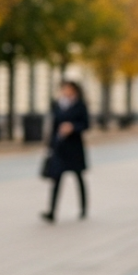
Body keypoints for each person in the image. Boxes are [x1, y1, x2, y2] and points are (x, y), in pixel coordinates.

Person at [42, 81, 89, 222]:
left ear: (74, 90)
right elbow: (54, 126)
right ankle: (52, 211)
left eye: (68, 89)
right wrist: (50, 146)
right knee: (56, 179)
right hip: (60, 149)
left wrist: (73, 127)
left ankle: (83, 209)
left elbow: (86, 124)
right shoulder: (57, 105)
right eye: (64, 89)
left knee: (79, 178)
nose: (66, 91)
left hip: (74, 148)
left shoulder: (80, 105)